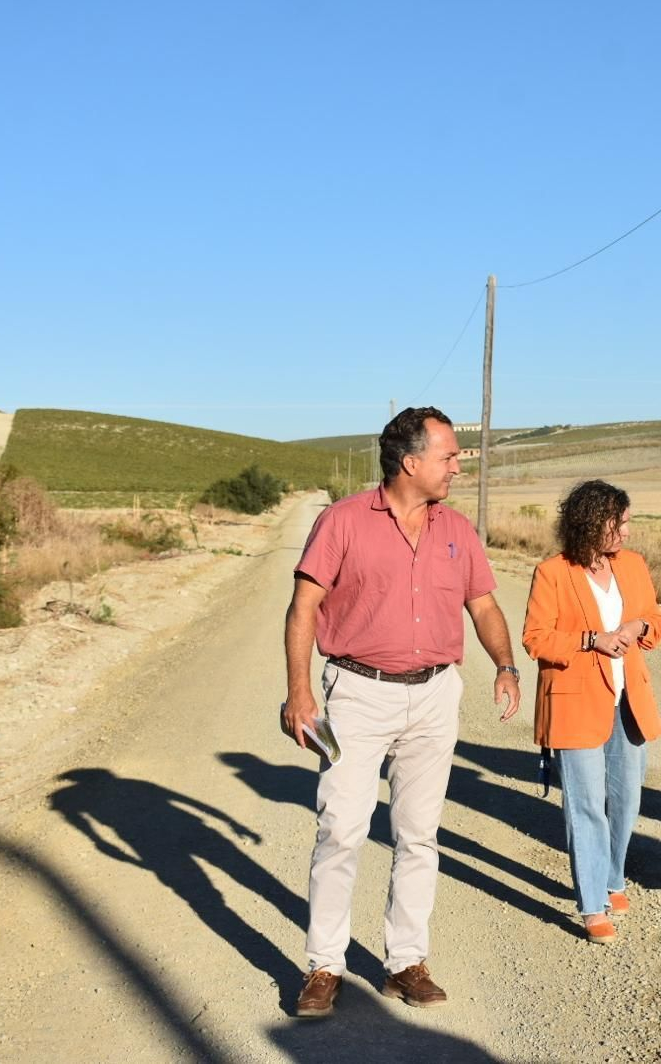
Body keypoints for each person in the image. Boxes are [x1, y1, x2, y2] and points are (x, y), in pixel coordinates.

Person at [281, 406, 521, 1019]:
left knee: (419, 834)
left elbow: (485, 606)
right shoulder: (343, 521)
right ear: (410, 462)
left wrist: (505, 665)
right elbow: (303, 606)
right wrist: (300, 693)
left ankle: (404, 962)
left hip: (436, 695)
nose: (458, 467)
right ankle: (324, 965)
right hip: (355, 696)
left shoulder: (456, 530)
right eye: (449, 456)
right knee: (340, 829)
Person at [522, 480, 661, 944]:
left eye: (626, 522)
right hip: (574, 701)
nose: (626, 531)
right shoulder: (553, 573)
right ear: (591, 523)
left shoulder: (634, 566)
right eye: (617, 523)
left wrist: (639, 625)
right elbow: (536, 638)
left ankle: (612, 875)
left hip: (630, 699)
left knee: (626, 801)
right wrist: (591, 640)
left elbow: (657, 623)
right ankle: (590, 903)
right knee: (585, 806)